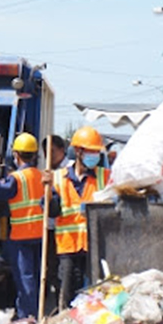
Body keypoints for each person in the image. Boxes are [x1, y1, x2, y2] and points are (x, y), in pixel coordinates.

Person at [0, 133, 44, 319]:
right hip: (39, 235)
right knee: (34, 278)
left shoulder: (16, 179)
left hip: (22, 236)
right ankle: (28, 314)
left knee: (25, 279)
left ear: (16, 155)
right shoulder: (41, 176)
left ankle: (29, 317)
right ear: (34, 155)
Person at [43, 126, 110, 311]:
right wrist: (47, 192)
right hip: (67, 247)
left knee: (93, 297)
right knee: (67, 296)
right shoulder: (57, 178)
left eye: (97, 152)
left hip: (95, 247)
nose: (95, 155)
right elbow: (52, 211)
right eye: (92, 151)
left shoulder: (104, 177)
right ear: (79, 151)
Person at [41, 135, 68, 302]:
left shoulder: (67, 171)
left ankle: (63, 304)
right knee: (51, 270)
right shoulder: (49, 172)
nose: (48, 156)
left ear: (62, 150)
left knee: (65, 273)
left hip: (67, 231)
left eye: (52, 152)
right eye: (45, 153)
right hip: (51, 228)